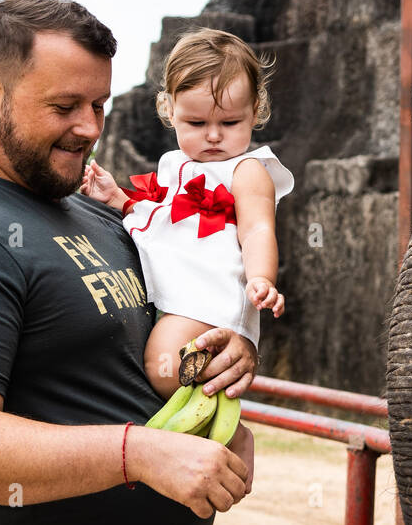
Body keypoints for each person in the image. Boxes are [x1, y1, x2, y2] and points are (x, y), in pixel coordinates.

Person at [0, 0, 257, 525]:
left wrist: (226, 364)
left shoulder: (92, 213)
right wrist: (138, 454)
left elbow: (116, 363)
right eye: (64, 107)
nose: (88, 128)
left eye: (98, 105)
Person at [80, 27, 294, 399]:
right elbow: (168, 220)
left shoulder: (247, 169)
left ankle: (211, 399)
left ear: (256, 111)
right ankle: (222, 427)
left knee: (161, 367)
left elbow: (258, 229)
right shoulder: (176, 164)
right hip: (179, 291)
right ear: (169, 111)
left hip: (210, 296)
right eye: (197, 124)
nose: (213, 136)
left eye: (229, 123)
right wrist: (119, 199)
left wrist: (262, 278)